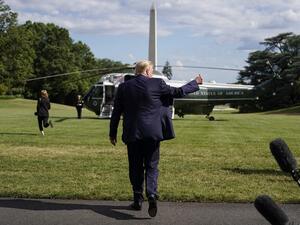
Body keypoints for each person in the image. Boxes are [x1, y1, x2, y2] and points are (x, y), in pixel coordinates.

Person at [109, 60, 203, 217]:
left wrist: (112, 133)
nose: (152, 73)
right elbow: (178, 92)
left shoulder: (124, 87)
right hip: (152, 133)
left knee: (135, 167)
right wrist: (195, 82)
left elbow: (117, 112)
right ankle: (151, 194)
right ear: (146, 71)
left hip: (132, 134)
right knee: (152, 166)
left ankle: (137, 200)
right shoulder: (157, 84)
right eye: (151, 70)